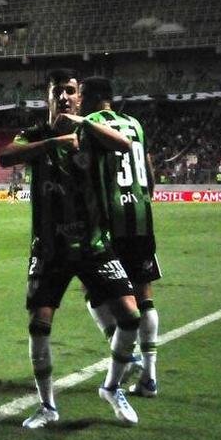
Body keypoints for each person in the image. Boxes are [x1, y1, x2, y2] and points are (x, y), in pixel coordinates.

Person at [0, 70, 144, 429]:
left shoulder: (89, 132)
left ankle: (111, 387)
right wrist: (54, 144)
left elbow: (125, 146)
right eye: (57, 91)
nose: (63, 96)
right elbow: (6, 156)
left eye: (70, 91)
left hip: (94, 244)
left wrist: (80, 124)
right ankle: (47, 406)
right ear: (47, 97)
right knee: (39, 325)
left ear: (79, 98)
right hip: (49, 248)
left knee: (130, 317)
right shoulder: (35, 134)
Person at [82, 78, 160, 399]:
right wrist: (143, 197)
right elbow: (149, 170)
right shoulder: (135, 124)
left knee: (92, 290)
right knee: (144, 295)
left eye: (83, 95)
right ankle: (150, 379)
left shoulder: (91, 123)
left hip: (110, 223)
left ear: (95, 98)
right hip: (141, 218)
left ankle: (122, 351)